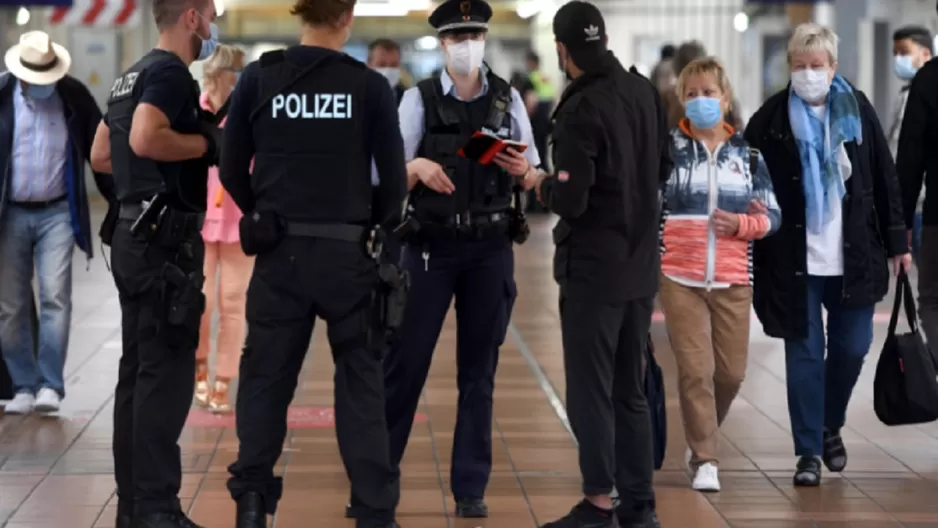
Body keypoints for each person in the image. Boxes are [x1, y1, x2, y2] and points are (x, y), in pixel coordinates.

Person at [218, 0, 407, 526]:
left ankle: (252, 500)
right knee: (361, 384)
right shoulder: (369, 87)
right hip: (349, 257)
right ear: (346, 16)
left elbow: (230, 164)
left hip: (280, 254)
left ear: (301, 15)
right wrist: (373, 229)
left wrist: (261, 211)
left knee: (265, 380)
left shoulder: (259, 78)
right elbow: (393, 187)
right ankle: (374, 509)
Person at [356, 0, 540, 520]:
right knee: (405, 365)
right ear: (441, 43)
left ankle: (470, 487)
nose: (466, 43)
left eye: (474, 33)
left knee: (479, 372)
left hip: (489, 248)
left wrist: (523, 167)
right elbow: (383, 176)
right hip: (429, 247)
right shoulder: (416, 101)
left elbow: (533, 172)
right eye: (457, 35)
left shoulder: (507, 100)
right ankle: (377, 483)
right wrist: (414, 167)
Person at [745, 23, 909, 487]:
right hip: (793, 258)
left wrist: (898, 243)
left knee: (853, 347)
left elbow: (884, 176)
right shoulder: (772, 119)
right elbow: (750, 175)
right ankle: (808, 453)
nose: (809, 74)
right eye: (800, 66)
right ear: (789, 68)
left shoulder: (857, 110)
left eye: (817, 66)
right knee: (803, 356)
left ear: (833, 67)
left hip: (853, 255)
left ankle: (828, 421)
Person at [533, 2, 669, 527]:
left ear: (562, 49)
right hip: (639, 269)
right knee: (629, 390)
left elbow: (571, 201)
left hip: (594, 270)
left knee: (591, 392)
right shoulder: (643, 92)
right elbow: (662, 168)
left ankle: (596, 504)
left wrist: (536, 181)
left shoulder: (580, 107)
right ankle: (639, 507)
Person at [89, 0, 223, 525]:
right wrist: (204, 143)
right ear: (191, 17)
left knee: (137, 376)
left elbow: (102, 152)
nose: (213, 27)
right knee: (164, 380)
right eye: (210, 15)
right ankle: (158, 510)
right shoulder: (170, 73)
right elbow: (146, 136)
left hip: (130, 235)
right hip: (164, 245)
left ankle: (134, 507)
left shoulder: (132, 74)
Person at [657, 56, 781, 493]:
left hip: (733, 278)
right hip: (678, 277)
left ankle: (700, 434)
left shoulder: (747, 156)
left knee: (729, 374)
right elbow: (650, 208)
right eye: (692, 94)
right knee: (695, 370)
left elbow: (772, 216)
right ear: (681, 100)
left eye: (709, 93)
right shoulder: (667, 151)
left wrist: (742, 225)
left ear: (726, 100)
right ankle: (706, 457)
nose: (701, 101)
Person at [0, 30, 114, 415]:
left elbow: (101, 152)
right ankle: (22, 385)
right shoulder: (1, 97)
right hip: (10, 212)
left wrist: (117, 202)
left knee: (55, 298)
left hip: (57, 213)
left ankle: (50, 384)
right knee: (11, 304)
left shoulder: (75, 97)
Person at [194, 44, 250, 413]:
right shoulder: (193, 110)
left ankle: (224, 379)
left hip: (237, 218)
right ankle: (198, 366)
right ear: (218, 74)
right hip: (198, 218)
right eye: (236, 73)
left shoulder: (248, 113)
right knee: (201, 301)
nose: (241, 80)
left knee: (233, 304)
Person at [897, 7, 938, 367]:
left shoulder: (928, 80)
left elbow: (910, 159)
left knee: (932, 298)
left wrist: (901, 222)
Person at [890, 25, 932, 267]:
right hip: (911, 204)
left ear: (926, 53)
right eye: (895, 53)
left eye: (904, 52)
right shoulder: (906, 93)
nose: (898, 59)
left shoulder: (925, 93)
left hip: (922, 204)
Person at [367, 38, 406, 103]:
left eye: (394, 65)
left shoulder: (408, 98)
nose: (388, 69)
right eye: (381, 65)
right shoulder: (355, 97)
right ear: (369, 66)